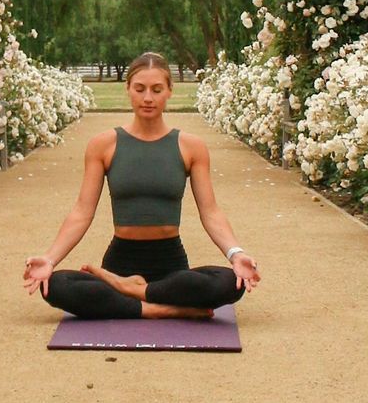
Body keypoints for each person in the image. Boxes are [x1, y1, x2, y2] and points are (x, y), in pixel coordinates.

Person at [22, 50, 261, 320]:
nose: (148, 98)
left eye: (157, 89)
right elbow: (81, 212)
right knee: (53, 285)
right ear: (128, 90)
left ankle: (133, 294)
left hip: (171, 267)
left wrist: (236, 254)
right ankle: (159, 307)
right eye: (140, 89)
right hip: (120, 262)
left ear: (170, 91)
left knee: (229, 282)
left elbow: (211, 212)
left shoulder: (191, 147)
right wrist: (50, 260)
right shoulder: (103, 145)